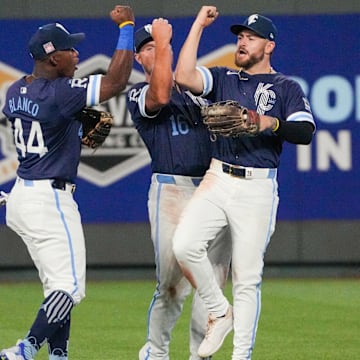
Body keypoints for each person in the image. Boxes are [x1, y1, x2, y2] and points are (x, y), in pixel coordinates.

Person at [172, 6, 316, 360]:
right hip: (218, 176)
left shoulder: (285, 88)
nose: (242, 42)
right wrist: (198, 25)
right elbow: (184, 75)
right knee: (184, 246)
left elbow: (306, 131)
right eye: (240, 37)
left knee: (247, 278)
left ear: (269, 46)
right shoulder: (224, 78)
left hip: (257, 187)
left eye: (251, 38)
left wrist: (269, 123)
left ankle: (241, 356)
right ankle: (220, 312)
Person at [0, 5, 134, 360]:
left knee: (55, 287)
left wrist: (74, 122)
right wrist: (126, 26)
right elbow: (117, 81)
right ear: (52, 57)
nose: (77, 54)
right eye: (69, 49)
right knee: (70, 288)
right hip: (50, 199)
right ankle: (25, 349)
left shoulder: (16, 91)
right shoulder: (60, 93)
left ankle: (58, 356)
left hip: (22, 197)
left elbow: (50, 111)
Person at [126, 18, 231, 360]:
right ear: (138, 59)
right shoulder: (139, 95)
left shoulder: (200, 90)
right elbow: (160, 92)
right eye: (149, 48)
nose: (156, 51)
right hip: (173, 192)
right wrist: (166, 44)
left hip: (214, 190)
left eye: (160, 46)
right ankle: (156, 353)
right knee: (171, 286)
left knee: (210, 286)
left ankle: (201, 356)